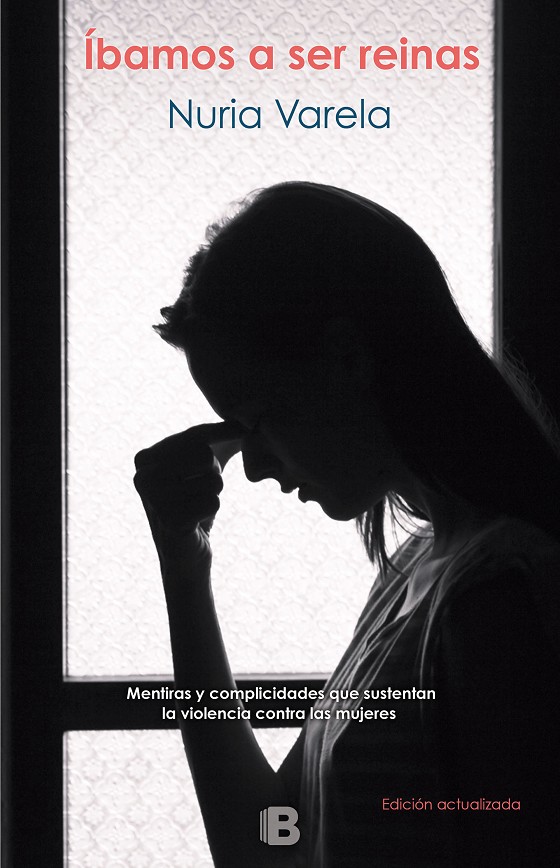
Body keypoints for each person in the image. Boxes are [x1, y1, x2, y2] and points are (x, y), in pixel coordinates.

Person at [134, 182, 560, 867]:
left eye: (258, 418)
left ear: (347, 357)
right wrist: (184, 569)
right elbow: (266, 842)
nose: (252, 466)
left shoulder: (491, 597)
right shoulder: (414, 579)